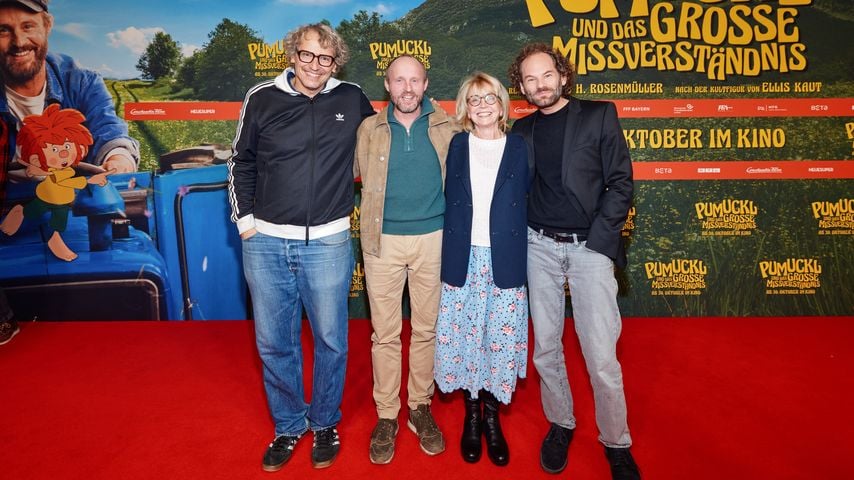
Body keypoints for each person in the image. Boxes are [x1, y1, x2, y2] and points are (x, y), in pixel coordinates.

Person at [228, 23, 375, 472]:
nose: (315, 65)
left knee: (331, 340)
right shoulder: (261, 98)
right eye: (307, 55)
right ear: (292, 55)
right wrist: (246, 224)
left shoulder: (351, 98)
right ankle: (289, 425)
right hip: (265, 242)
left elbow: (383, 142)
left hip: (329, 241)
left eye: (325, 58)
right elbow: (240, 161)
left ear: (336, 63)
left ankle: (325, 422)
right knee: (275, 343)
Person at [508, 43, 640, 480]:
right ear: (521, 86)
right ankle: (561, 422)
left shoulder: (599, 115)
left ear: (563, 76)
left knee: (600, 354)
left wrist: (600, 243)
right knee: (546, 348)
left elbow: (621, 182)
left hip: (589, 249)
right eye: (530, 79)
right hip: (538, 247)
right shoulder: (521, 131)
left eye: (547, 75)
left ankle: (616, 442)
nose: (540, 85)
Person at [354, 54, 459, 464]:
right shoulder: (369, 129)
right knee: (384, 334)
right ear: (387, 85)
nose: (408, 88)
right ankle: (386, 414)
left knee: (426, 330)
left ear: (426, 83)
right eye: (399, 80)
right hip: (381, 243)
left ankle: (419, 406)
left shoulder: (448, 126)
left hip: (433, 239)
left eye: (415, 80)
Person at [433, 72, 529, 467]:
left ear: (502, 104)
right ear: (466, 109)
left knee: (499, 339)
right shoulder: (457, 144)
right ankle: (471, 417)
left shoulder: (520, 146)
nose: (483, 105)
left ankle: (492, 418)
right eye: (475, 99)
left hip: (505, 257)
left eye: (490, 98)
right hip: (463, 256)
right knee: (466, 337)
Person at [0, 0, 139, 176]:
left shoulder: (82, 82)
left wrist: (118, 159)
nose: (19, 42)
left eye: (28, 26)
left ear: (47, 26)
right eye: (3, 30)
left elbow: (109, 131)